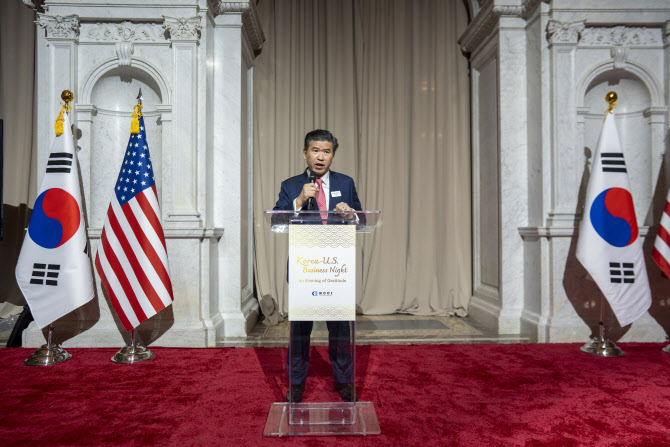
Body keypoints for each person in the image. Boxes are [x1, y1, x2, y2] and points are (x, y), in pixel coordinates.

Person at [273, 129, 362, 403]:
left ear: (333, 155)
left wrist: (351, 215)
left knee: (340, 331)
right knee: (300, 331)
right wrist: (299, 201)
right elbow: (277, 219)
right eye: (315, 150)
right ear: (305, 153)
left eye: (326, 151)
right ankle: (296, 384)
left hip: (336, 269)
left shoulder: (345, 183)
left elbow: (363, 219)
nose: (320, 156)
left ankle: (344, 381)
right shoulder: (291, 185)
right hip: (305, 268)